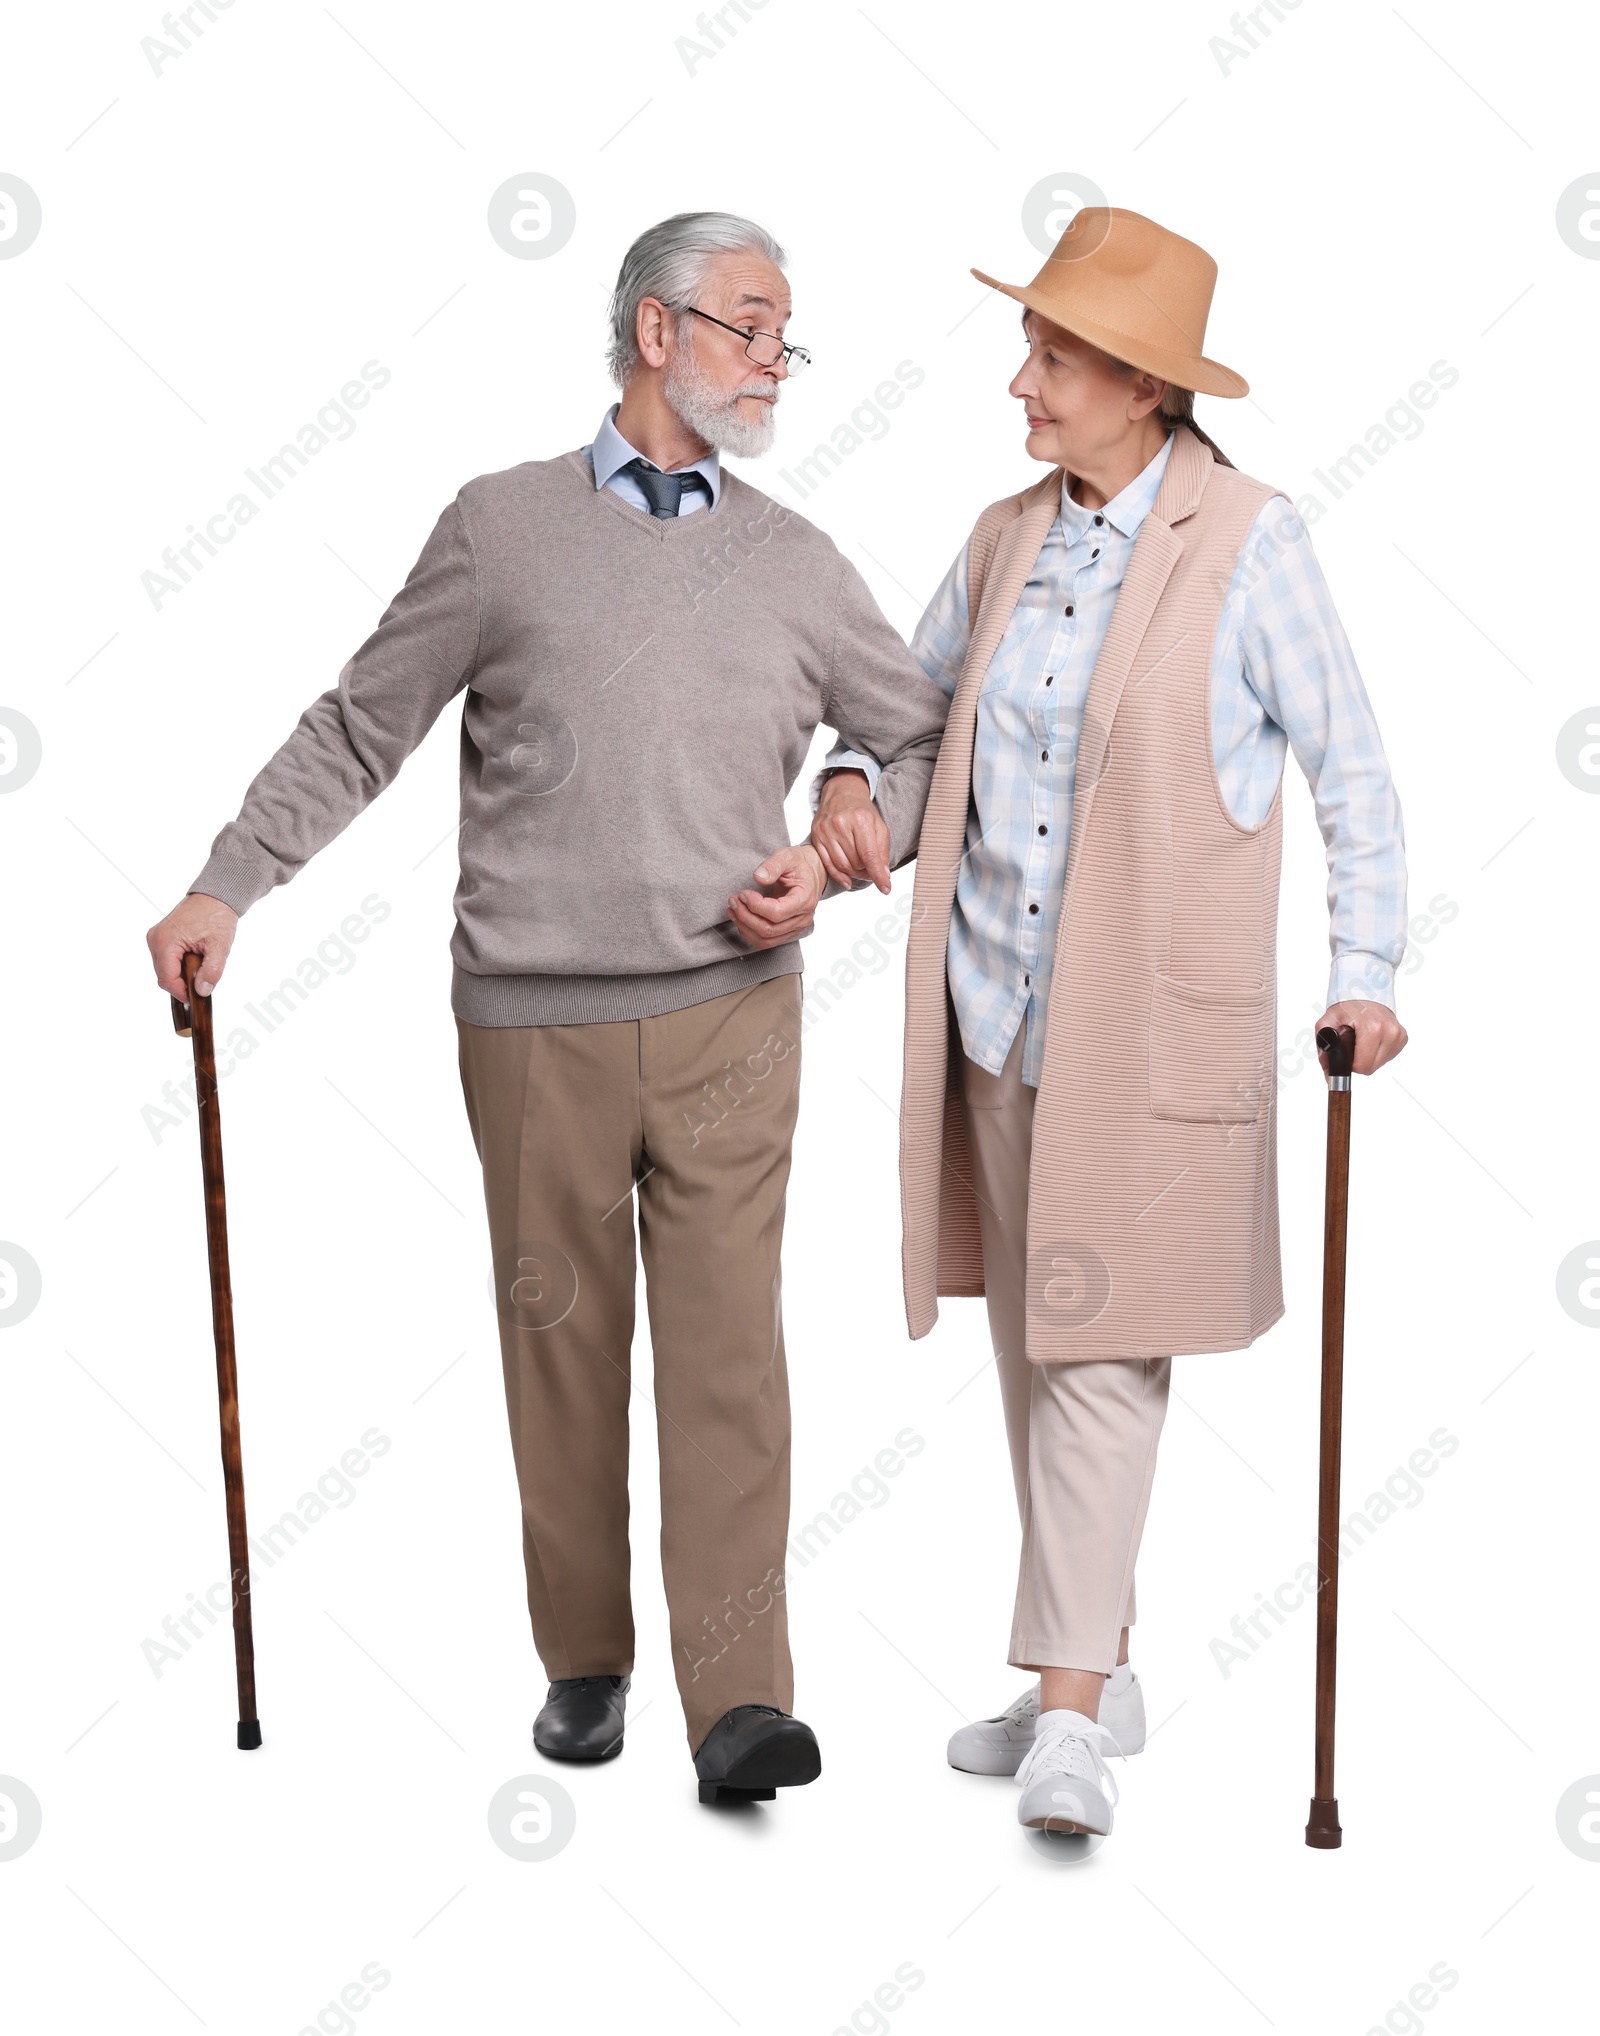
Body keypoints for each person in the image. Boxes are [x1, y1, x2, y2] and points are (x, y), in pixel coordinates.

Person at [147, 211, 948, 1807]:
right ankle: (586, 1661)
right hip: (530, 1023)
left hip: (737, 1012)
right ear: (655, 332)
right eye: (749, 323)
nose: (776, 358)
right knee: (561, 1349)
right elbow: (362, 725)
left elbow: (927, 733)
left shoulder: (796, 558)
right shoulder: (499, 528)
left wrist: (851, 822)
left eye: (787, 331)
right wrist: (228, 883)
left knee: (731, 1358)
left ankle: (741, 1706)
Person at [812, 205, 1408, 1841]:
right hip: (995, 1014)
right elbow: (906, 714)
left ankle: (1067, 1713)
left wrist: (1370, 972)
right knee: (1030, 1342)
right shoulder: (1007, 535)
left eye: (1053, 356)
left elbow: (1352, 772)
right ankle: (1106, 1659)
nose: (1022, 381)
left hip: (1148, 1031)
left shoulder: (1253, 539)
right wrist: (856, 787)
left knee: (1096, 1349)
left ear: (1143, 385)